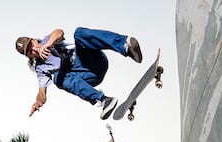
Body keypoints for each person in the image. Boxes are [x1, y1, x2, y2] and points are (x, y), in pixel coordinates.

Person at [15, 27, 143, 120]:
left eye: (32, 45)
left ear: (34, 40)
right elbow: (42, 92)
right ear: (28, 56)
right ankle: (104, 101)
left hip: (93, 61)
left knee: (79, 33)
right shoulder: (40, 68)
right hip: (87, 77)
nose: (34, 50)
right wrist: (38, 102)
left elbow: (59, 32)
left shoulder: (46, 40)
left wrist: (48, 44)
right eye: (30, 51)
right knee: (58, 79)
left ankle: (125, 46)